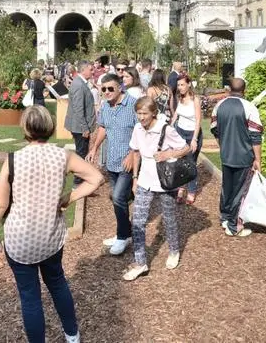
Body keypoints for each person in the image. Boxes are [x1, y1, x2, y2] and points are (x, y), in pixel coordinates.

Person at [0, 106, 103, 343]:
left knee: (30, 297)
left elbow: (0, 204)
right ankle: (72, 336)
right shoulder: (64, 155)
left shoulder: (13, 160)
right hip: (51, 238)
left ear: (26, 128)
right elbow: (97, 178)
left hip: (20, 242)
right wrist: (69, 197)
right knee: (58, 284)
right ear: (48, 127)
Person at [123, 97, 189, 281]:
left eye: (144, 113)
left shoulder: (166, 129)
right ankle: (140, 262)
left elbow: (185, 148)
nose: (141, 117)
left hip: (165, 181)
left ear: (153, 113)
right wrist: (135, 179)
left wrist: (168, 153)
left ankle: (174, 250)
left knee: (169, 218)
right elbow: (135, 153)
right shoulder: (137, 129)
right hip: (144, 181)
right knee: (137, 221)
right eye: (138, 113)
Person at [87, 73, 138, 256]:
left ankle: (122, 237)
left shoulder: (132, 104)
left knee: (117, 198)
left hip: (127, 161)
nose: (106, 92)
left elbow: (140, 131)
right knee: (120, 200)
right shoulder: (105, 107)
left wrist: (133, 155)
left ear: (120, 87)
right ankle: (126, 233)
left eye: (110, 88)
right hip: (112, 160)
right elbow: (103, 127)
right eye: (103, 89)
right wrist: (94, 148)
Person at [211, 78, 262, 237]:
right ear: (244, 90)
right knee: (240, 191)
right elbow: (255, 136)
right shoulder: (249, 107)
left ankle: (225, 218)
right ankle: (234, 226)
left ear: (229, 89)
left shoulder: (219, 105)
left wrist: (223, 145)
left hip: (226, 155)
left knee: (227, 188)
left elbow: (214, 129)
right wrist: (258, 159)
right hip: (244, 156)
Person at [172, 73, 203, 204]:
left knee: (190, 164)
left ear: (189, 84)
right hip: (180, 132)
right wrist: (169, 128)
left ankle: (191, 191)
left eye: (182, 84)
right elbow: (176, 116)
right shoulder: (179, 98)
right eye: (178, 85)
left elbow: (198, 120)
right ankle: (180, 189)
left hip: (192, 134)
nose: (180, 87)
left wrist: (194, 139)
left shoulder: (195, 100)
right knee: (179, 163)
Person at [64, 61, 96, 186]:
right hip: (79, 127)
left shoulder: (81, 82)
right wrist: (85, 128)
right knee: (81, 155)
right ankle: (77, 184)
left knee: (81, 153)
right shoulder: (78, 84)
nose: (93, 72)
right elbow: (78, 108)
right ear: (83, 70)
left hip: (80, 126)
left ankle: (79, 182)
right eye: (91, 69)